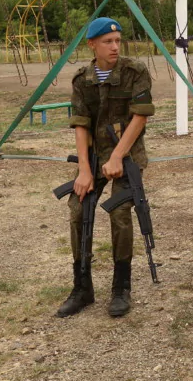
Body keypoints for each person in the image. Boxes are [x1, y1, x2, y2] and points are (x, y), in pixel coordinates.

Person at [56, 17, 155, 319]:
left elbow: (139, 117)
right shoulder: (81, 80)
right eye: (107, 42)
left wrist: (117, 158)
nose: (114, 47)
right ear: (92, 45)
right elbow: (80, 126)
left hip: (127, 156)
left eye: (117, 41)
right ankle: (82, 287)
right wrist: (85, 171)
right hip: (95, 156)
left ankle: (121, 288)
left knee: (121, 213)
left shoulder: (134, 72)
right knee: (78, 207)